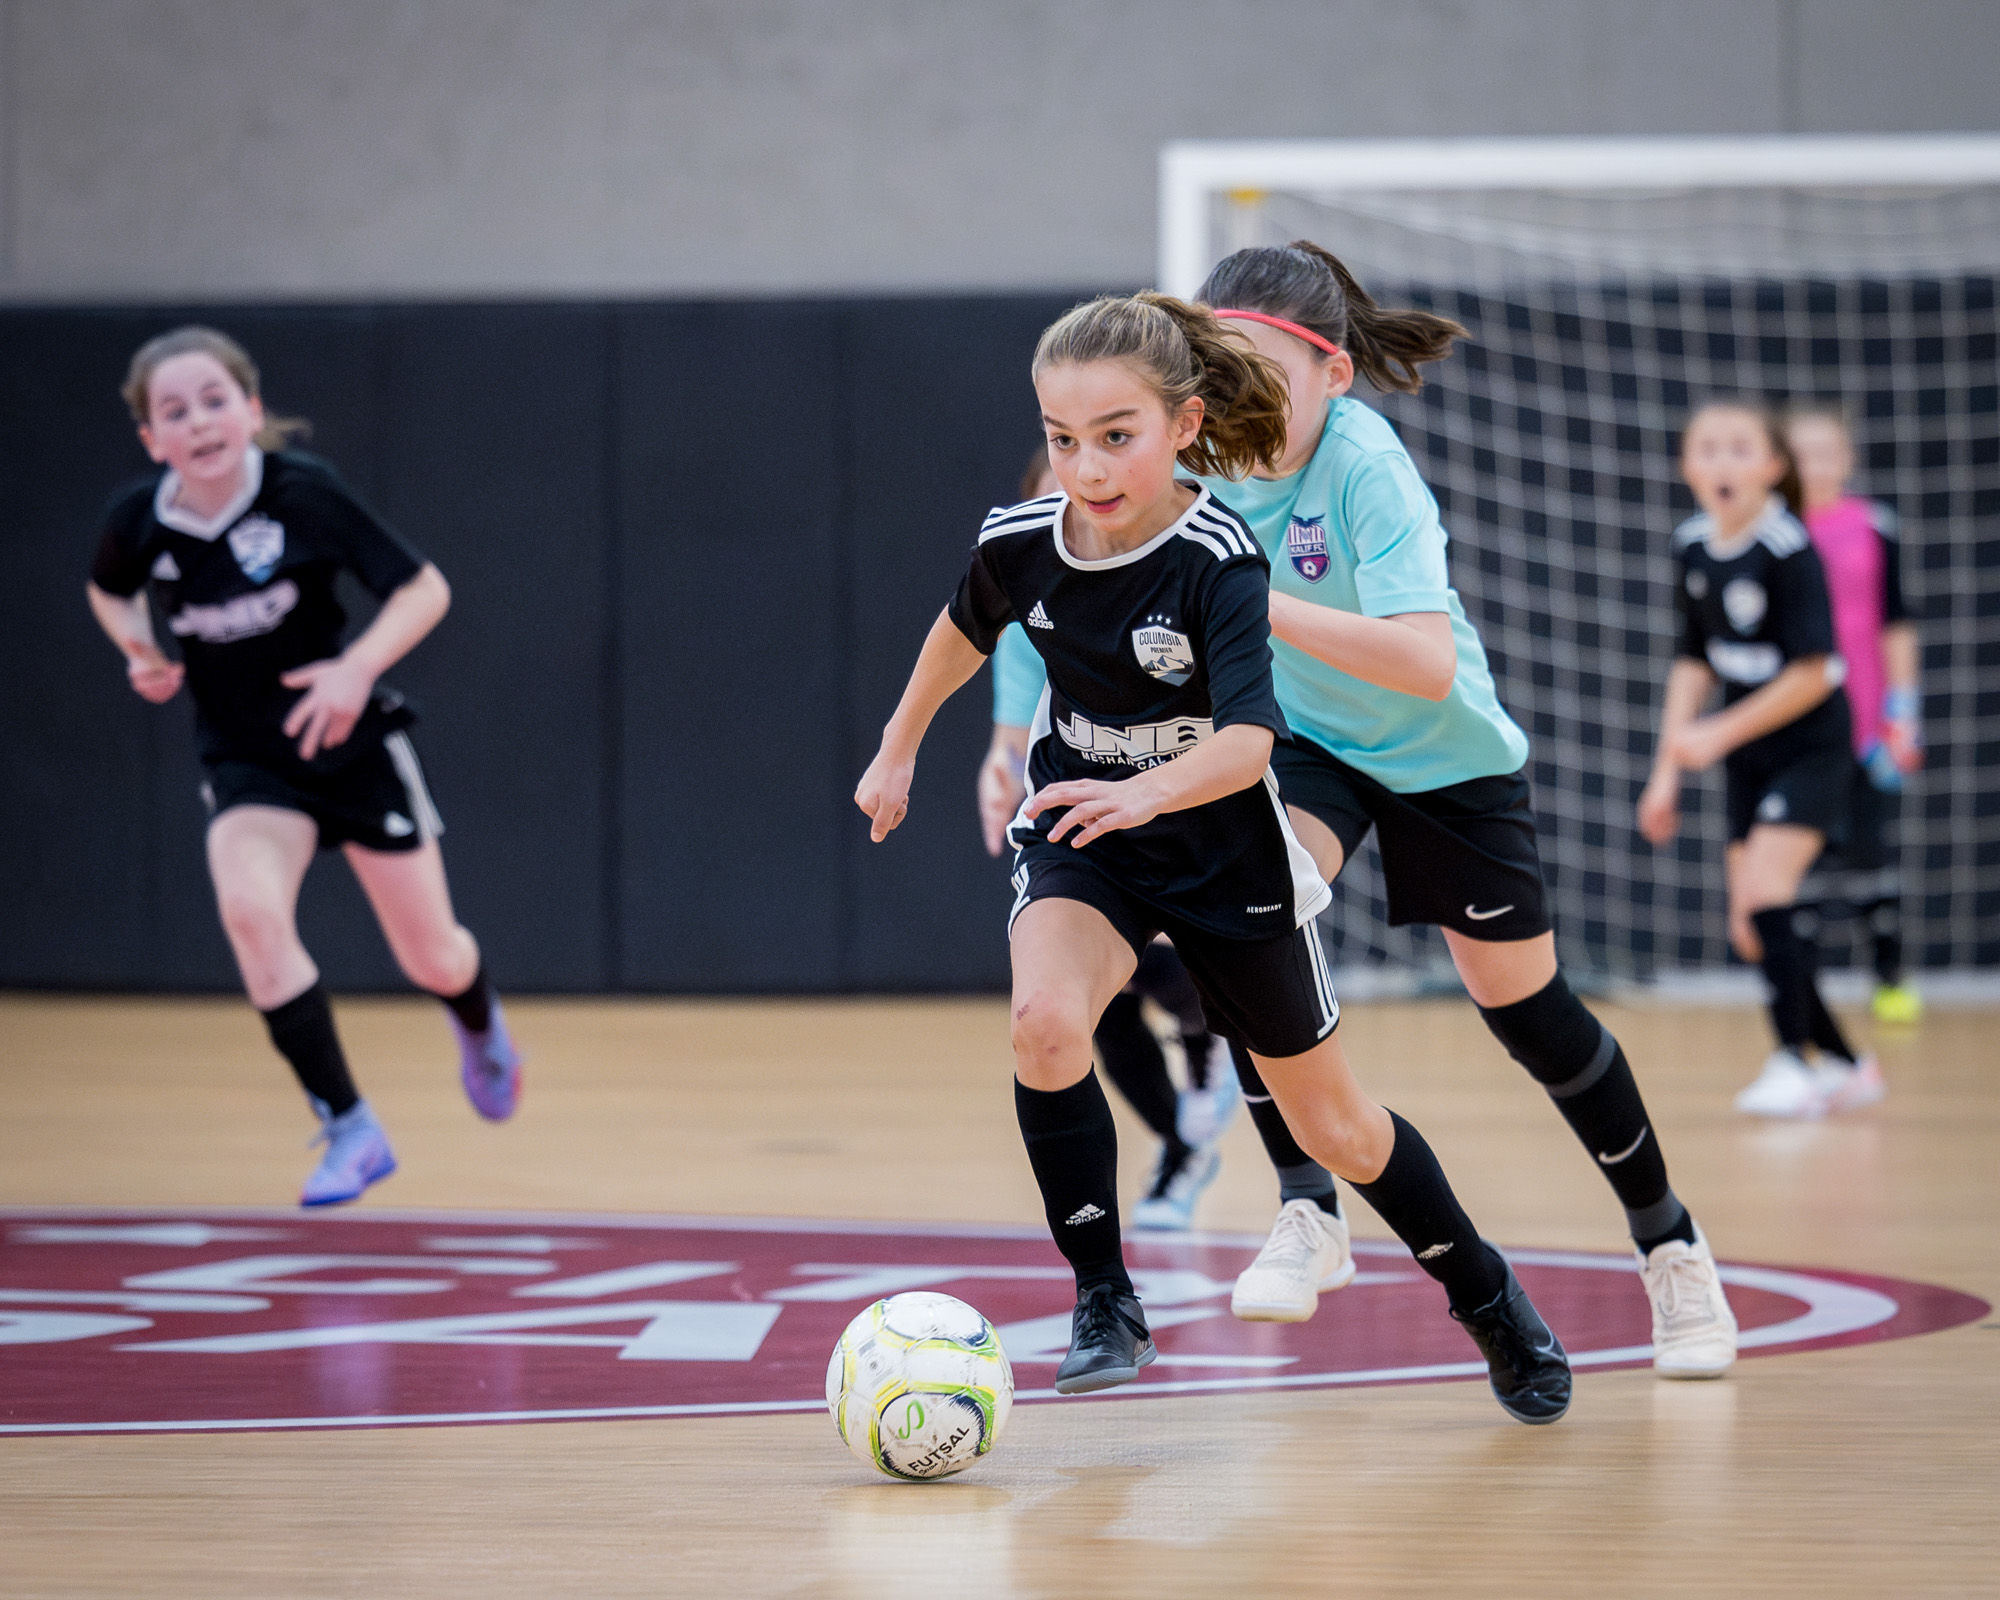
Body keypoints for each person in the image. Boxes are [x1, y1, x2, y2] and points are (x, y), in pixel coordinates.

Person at [858, 291, 1571, 1422]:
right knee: (1044, 1023)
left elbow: (1246, 744)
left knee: (1336, 1126)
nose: (1084, 467)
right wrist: (897, 748)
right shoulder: (1018, 539)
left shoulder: (1218, 558)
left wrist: (1140, 790)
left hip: (1219, 844)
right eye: (1060, 439)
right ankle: (1104, 1297)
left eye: (1114, 437)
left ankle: (1483, 1293)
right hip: (1086, 833)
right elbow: (960, 629)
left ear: (1184, 426)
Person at [1175, 242, 1734, 1378]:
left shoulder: (1365, 466)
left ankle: (1669, 1242)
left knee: (1527, 1012)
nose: (1238, 396)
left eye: (1263, 370)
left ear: (1330, 373)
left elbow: (1423, 664)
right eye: (1219, 369)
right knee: (1238, 903)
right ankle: (1304, 1207)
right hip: (1310, 745)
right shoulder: (1202, 463)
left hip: (1442, 757)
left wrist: (1257, 605)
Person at [85, 326, 522, 1208]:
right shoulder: (139, 522)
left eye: (215, 400)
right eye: (175, 411)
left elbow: (424, 588)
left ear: (250, 411)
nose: (199, 421)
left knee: (432, 954)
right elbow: (108, 586)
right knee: (249, 911)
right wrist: (136, 646)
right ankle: (351, 1126)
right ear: (151, 439)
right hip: (250, 761)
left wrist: (357, 668)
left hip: (351, 747)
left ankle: (477, 1018)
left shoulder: (302, 496)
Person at [979, 447, 1242, 1231]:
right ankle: (1180, 1148)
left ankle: (1210, 1045)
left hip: (1193, 814)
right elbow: (1013, 711)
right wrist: (997, 768)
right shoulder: (1027, 593)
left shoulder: (1193, 573)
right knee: (1078, 1004)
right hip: (1085, 814)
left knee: (1173, 967)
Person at [1639, 400, 1883, 1118]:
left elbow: (1814, 672)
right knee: (1750, 926)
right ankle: (1845, 1062)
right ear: (1687, 465)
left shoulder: (1787, 548)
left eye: (1740, 449)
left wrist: (1716, 735)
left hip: (1810, 745)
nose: (1722, 463)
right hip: (1748, 752)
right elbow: (1693, 663)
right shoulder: (1691, 545)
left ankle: (1793, 1062)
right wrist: (1667, 772)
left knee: (1766, 896)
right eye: (1707, 448)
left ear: (1774, 469)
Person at [1783, 405, 1924, 1024]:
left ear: (1848, 459)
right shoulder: (1775, 531)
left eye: (1826, 451)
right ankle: (1800, 993)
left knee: (1869, 853)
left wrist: (1903, 711)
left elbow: (1895, 624)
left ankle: (1889, 978)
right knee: (1796, 863)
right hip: (1794, 722)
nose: (1814, 464)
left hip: (1865, 719)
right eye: (1801, 452)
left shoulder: (1875, 527)